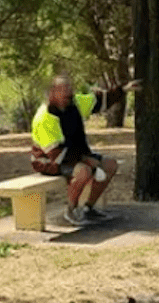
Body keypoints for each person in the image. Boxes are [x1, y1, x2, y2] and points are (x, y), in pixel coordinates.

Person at [30, 75, 140, 226]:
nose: (68, 93)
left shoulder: (74, 103)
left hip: (76, 155)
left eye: (69, 88)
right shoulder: (45, 117)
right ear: (52, 93)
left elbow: (98, 100)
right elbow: (57, 154)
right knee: (84, 171)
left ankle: (88, 209)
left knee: (110, 165)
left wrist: (123, 89)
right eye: (63, 90)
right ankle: (71, 210)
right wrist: (86, 160)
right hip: (48, 160)